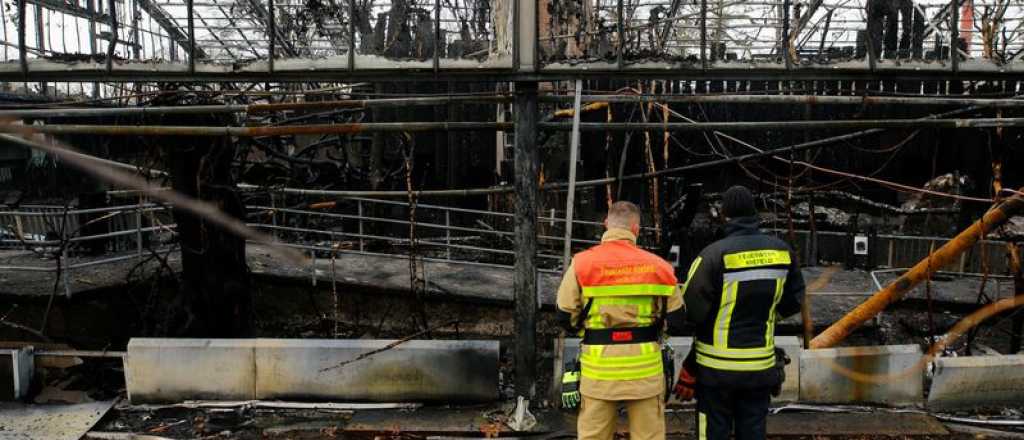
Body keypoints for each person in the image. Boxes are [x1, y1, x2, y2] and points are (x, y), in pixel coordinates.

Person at [672, 185, 805, 440]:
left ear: (725, 215)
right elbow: (794, 300)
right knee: (753, 432)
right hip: (760, 368)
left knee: (713, 432)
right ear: (754, 213)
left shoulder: (713, 255)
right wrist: (763, 315)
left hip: (715, 371)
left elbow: (691, 312)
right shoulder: (782, 252)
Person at [556, 200, 684, 440]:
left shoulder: (582, 264)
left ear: (606, 225)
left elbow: (564, 315)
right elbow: (677, 319)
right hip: (645, 373)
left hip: (598, 371)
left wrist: (587, 331)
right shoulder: (659, 267)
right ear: (636, 229)